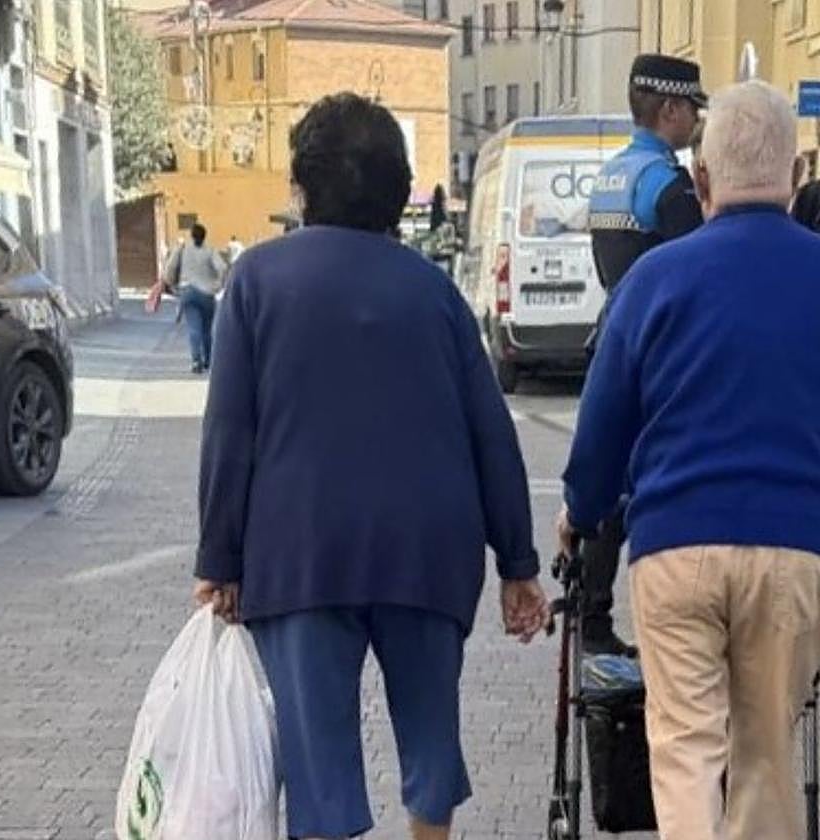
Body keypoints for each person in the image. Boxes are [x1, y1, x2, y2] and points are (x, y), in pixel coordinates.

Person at [193, 92, 549, 840]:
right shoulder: (437, 293)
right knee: (429, 741)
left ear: (302, 186)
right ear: (397, 189)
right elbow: (493, 431)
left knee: (317, 765)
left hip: (300, 553)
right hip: (427, 549)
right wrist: (518, 562)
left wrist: (219, 557)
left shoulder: (255, 283)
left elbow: (230, 433)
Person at [559, 80, 820, 840]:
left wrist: (580, 510)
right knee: (768, 754)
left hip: (676, 547)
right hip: (797, 549)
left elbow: (602, 430)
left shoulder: (653, 280)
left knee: (684, 750)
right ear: (798, 175)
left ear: (700, 180)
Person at [580, 53, 706, 657]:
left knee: (608, 478)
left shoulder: (611, 172)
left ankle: (592, 616)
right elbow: (697, 270)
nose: (698, 123)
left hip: (614, 331)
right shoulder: (667, 181)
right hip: (662, 347)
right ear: (671, 109)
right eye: (694, 110)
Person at [159, 222, 225, 374]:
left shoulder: (182, 250)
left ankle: (196, 361)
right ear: (204, 236)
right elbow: (222, 267)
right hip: (207, 294)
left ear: (191, 236)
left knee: (194, 328)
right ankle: (208, 360)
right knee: (207, 330)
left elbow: (170, 267)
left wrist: (170, 284)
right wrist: (218, 285)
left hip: (188, 291)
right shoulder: (210, 251)